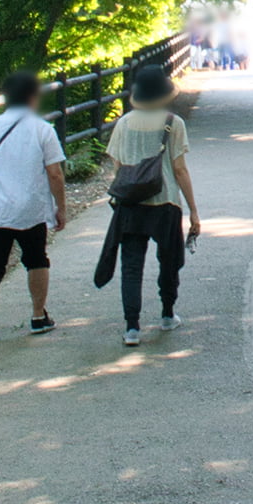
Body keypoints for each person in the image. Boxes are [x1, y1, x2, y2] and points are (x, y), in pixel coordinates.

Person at [94, 67, 201, 345]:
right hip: (165, 201)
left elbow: (118, 166)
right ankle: (167, 315)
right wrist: (193, 211)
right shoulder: (173, 123)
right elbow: (179, 169)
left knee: (131, 266)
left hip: (131, 204)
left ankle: (132, 328)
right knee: (168, 261)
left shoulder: (124, 124)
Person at [0, 71, 69, 346]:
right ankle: (38, 316)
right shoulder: (42, 130)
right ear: (33, 97)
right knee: (36, 259)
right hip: (31, 209)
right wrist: (60, 207)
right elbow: (55, 174)